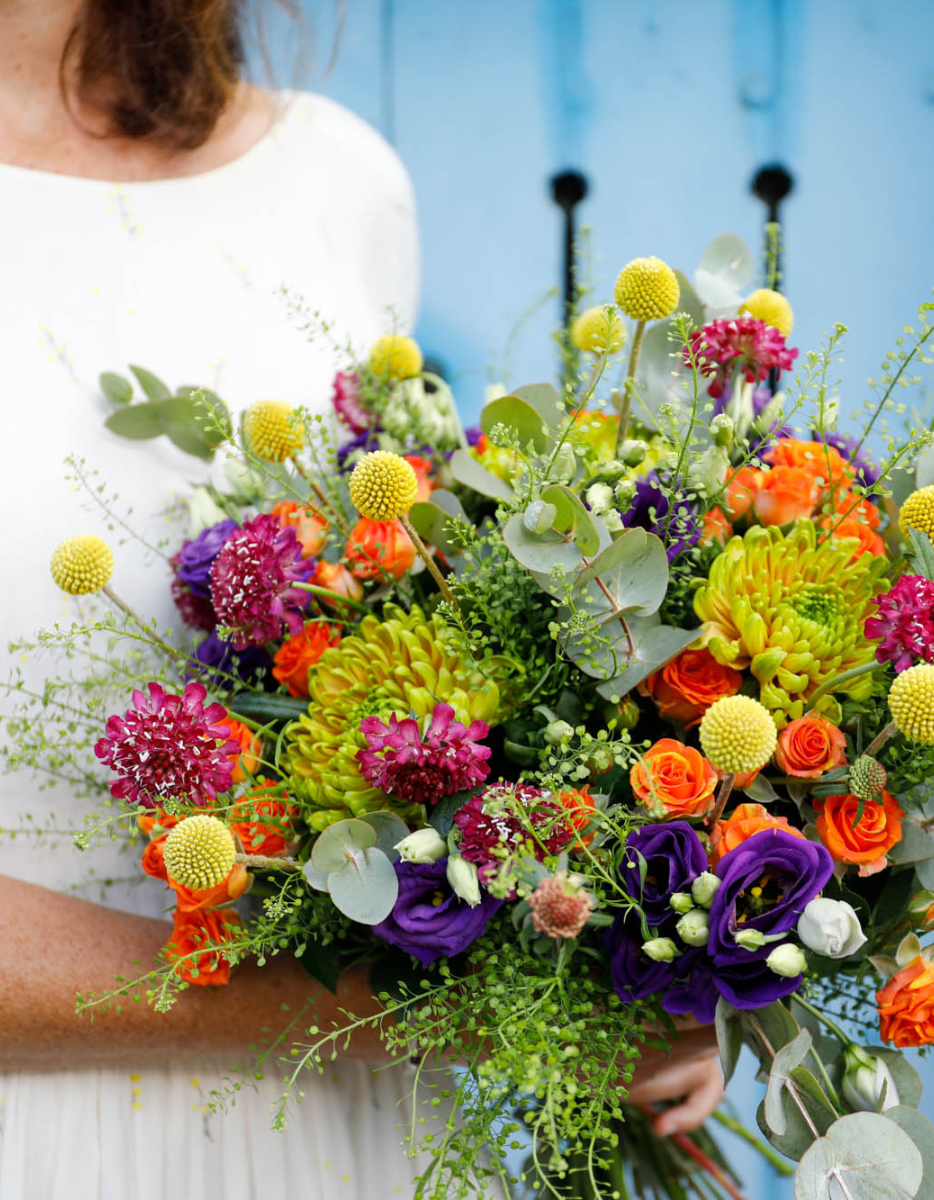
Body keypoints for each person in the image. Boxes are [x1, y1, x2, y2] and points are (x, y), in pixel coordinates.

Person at [0, 2, 723, 1197]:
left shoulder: (334, 177)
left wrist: (636, 961)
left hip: (351, 1144)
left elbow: (414, 618)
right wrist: (415, 1010)